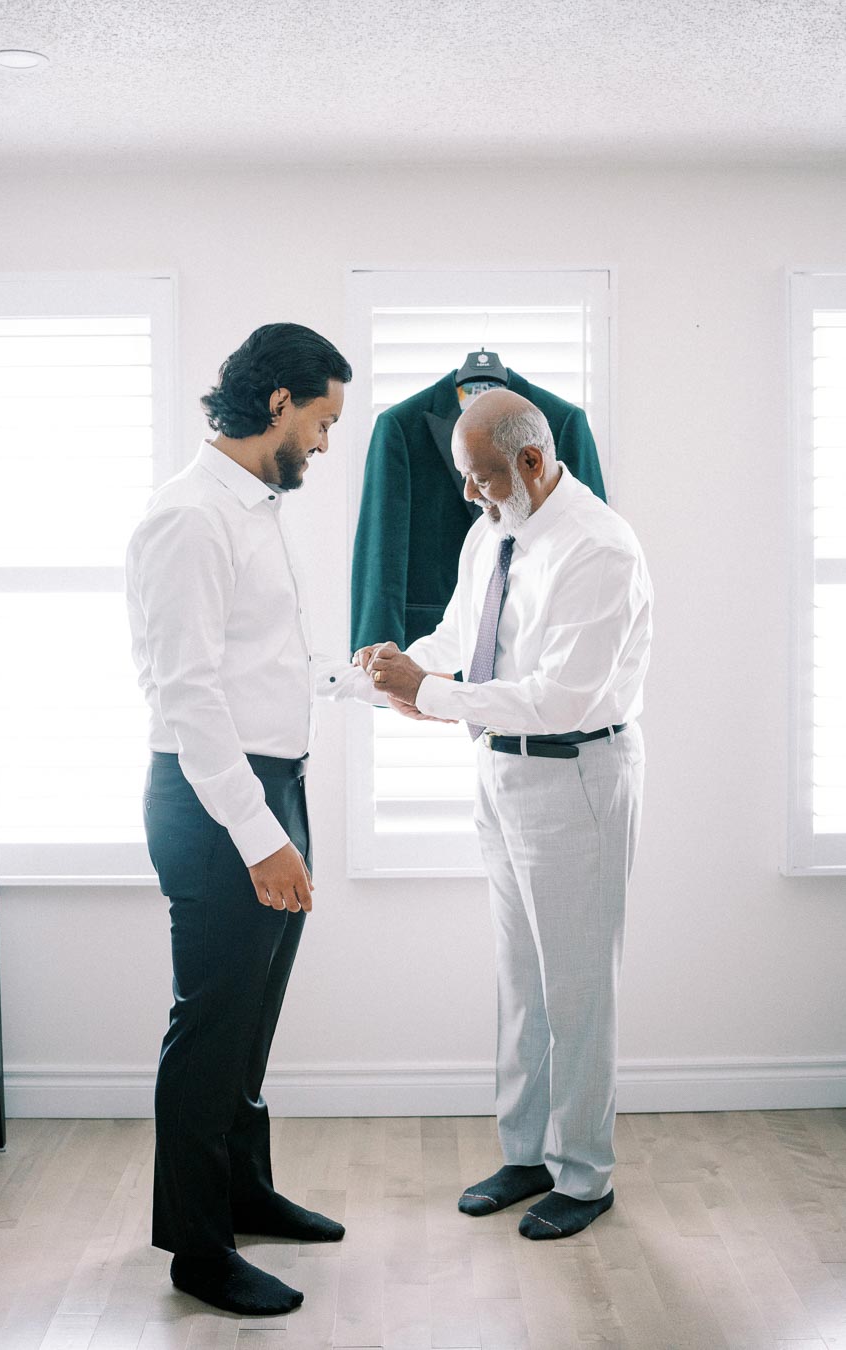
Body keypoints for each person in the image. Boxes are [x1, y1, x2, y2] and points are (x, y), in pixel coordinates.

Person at [355, 387, 652, 1241]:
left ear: (530, 461)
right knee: (521, 983)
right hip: (499, 772)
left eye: (481, 478)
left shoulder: (601, 550)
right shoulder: (494, 533)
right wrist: (401, 664)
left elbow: (562, 697)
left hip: (578, 776)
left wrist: (435, 696)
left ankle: (586, 1176)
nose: (469, 496)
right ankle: (526, 1154)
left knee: (579, 990)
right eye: (464, 479)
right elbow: (458, 636)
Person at [125, 323, 367, 1317]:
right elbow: (186, 695)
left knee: (250, 1029)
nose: (323, 442)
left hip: (274, 786)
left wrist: (353, 679)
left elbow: (253, 664)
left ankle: (244, 1192)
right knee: (211, 1027)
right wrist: (262, 836)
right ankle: (197, 1247)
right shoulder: (189, 516)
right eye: (320, 421)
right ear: (278, 403)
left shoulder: (254, 508)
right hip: (221, 802)